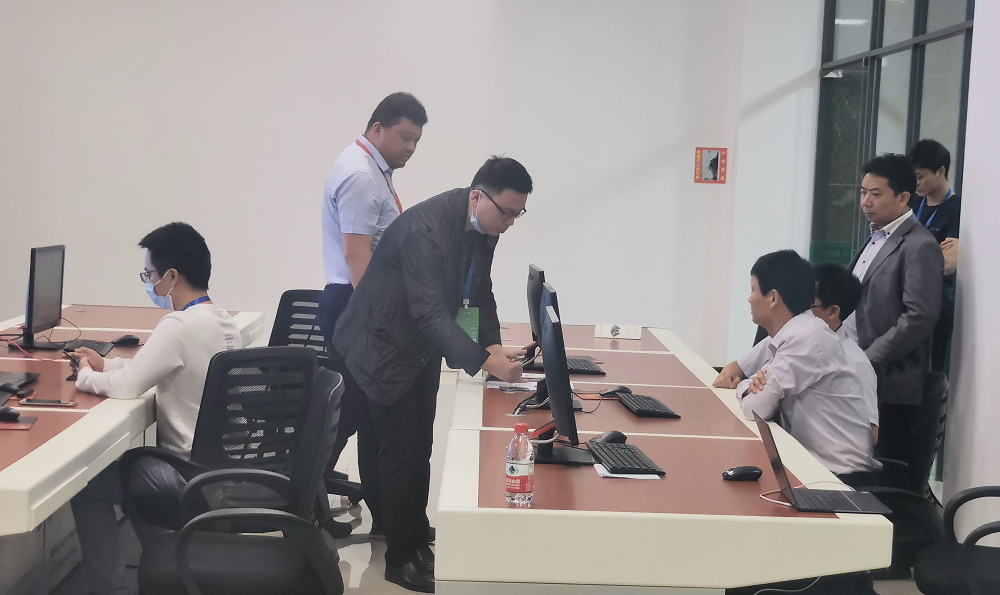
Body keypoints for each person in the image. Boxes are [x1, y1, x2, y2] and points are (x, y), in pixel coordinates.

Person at [333, 156, 532, 592]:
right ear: (478, 196)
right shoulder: (426, 230)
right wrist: (484, 362)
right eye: (506, 212)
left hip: (416, 348)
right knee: (401, 451)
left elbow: (479, 290)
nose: (508, 223)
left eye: (517, 215)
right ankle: (401, 559)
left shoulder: (483, 227)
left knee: (418, 444)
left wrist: (492, 344)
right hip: (380, 347)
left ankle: (411, 533)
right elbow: (429, 313)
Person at [68, 222, 242, 595]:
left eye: (150, 275)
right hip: (221, 468)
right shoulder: (223, 323)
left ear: (172, 276)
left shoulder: (177, 325)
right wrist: (105, 365)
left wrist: (85, 375)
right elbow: (158, 366)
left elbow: (128, 386)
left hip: (185, 473)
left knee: (90, 489)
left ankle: (111, 587)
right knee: (134, 477)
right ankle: (168, 568)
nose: (149, 283)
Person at [318, 92, 427, 537]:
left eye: (417, 140)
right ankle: (298, 504)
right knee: (350, 417)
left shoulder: (371, 169)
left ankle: (385, 516)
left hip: (355, 303)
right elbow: (357, 256)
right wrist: (379, 322)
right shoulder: (361, 175)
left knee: (366, 419)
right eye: (405, 137)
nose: (411, 148)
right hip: (357, 306)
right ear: (377, 128)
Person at [719, 250, 879, 484]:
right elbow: (744, 380)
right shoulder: (796, 332)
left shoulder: (806, 338)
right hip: (811, 463)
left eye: (753, 290)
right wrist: (749, 384)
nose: (749, 299)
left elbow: (756, 409)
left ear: (773, 298)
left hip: (840, 476)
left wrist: (746, 386)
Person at [844, 154, 943, 468]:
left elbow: (920, 315)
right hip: (857, 376)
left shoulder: (919, 245)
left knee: (886, 473)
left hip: (890, 386)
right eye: (863, 192)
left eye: (875, 194)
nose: (865, 201)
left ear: (903, 198)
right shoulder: (875, 237)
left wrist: (869, 359)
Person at [907, 139, 962, 372]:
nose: (916, 183)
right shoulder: (912, 202)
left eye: (920, 176)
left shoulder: (958, 209)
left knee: (931, 373)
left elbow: (948, 264)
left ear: (940, 171)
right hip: (906, 299)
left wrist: (911, 254)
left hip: (937, 306)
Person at [810, 263, 878, 445]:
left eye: (808, 306)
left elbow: (870, 435)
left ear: (833, 311)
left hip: (830, 458)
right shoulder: (797, 346)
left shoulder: (855, 364)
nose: (798, 313)